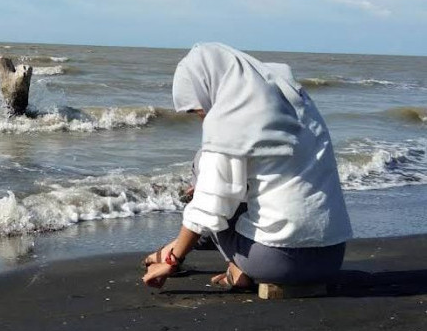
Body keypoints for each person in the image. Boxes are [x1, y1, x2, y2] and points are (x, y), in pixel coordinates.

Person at [142, 43, 352, 290]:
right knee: (228, 183)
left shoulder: (227, 123)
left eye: (196, 108)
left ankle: (234, 266)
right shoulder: (295, 105)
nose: (201, 117)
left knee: (204, 164)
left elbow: (208, 209)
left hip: (275, 261)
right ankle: (186, 245)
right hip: (331, 256)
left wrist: (173, 260)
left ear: (206, 86)